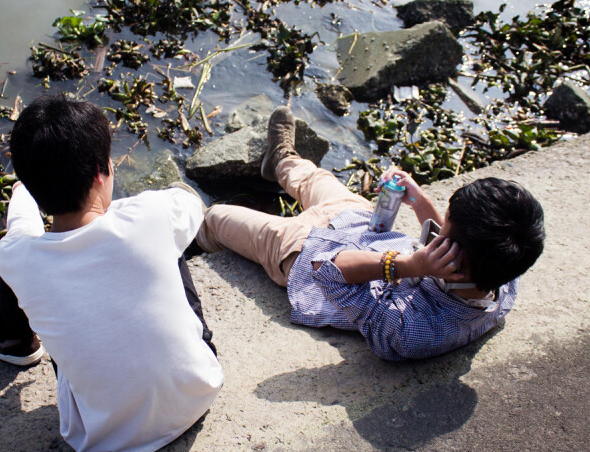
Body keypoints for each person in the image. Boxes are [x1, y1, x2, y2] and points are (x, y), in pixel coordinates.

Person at [0, 94, 223, 452]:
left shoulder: (16, 255)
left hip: (100, 435)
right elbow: (190, 203)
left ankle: (12, 341)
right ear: (101, 171)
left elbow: (21, 226)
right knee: (170, 244)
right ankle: (191, 350)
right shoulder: (149, 214)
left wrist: (23, 191)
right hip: (199, 392)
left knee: (24, 273)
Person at [197, 106, 545, 360]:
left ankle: (194, 226)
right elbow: (456, 241)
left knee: (219, 218)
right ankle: (280, 160)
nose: (437, 231)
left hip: (300, 253)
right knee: (317, 180)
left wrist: (410, 267)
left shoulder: (416, 331)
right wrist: (418, 200)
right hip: (362, 227)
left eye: (445, 228)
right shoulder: (501, 276)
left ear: (455, 262)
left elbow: (328, 269)